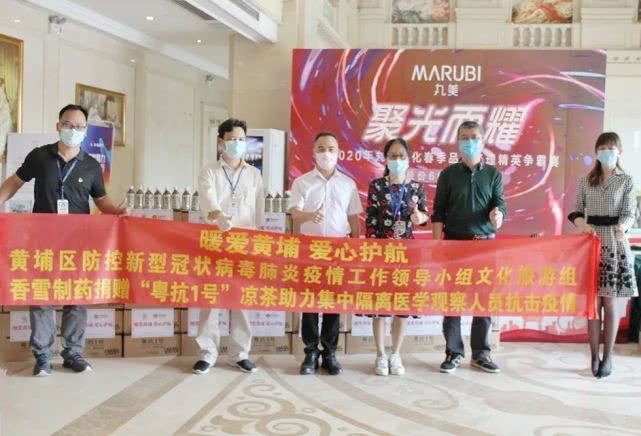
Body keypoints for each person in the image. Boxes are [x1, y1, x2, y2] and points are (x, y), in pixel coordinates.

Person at [0, 104, 126, 377]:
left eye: (79, 127)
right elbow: (15, 181)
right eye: (68, 125)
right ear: (58, 126)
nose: (73, 130)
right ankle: (43, 357)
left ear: (85, 131)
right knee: (41, 295)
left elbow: (101, 200)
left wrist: (119, 212)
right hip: (42, 241)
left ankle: (73, 353)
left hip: (78, 243)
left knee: (77, 296)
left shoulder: (91, 165)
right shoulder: (39, 156)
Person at [432, 120, 506, 374]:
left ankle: (481, 354)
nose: (469, 141)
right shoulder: (448, 174)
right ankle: (453, 352)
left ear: (483, 141)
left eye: (474, 137)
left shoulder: (493, 175)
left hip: (484, 246)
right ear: (457, 142)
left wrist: (497, 216)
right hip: (454, 245)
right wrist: (437, 246)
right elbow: (438, 212)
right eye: (464, 137)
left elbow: (500, 207)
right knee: (453, 302)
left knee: (483, 302)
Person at [193, 118, 264, 375]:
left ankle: (240, 354)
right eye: (232, 139)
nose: (237, 144)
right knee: (211, 298)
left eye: (242, 139)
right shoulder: (209, 171)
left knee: (242, 299)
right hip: (215, 242)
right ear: (220, 142)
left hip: (244, 244)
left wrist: (258, 240)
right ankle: (207, 353)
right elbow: (208, 199)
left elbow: (259, 210)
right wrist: (218, 215)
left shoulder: (254, 174)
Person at [289, 132, 362, 376]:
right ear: (313, 152)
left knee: (333, 303)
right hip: (310, 249)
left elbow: (353, 218)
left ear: (338, 152)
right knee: (309, 302)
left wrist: (356, 249)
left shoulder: (348, 184)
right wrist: (310, 215)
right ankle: (310, 352)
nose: (326, 154)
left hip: (338, 249)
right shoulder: (302, 182)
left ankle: (330, 352)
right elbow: (295, 214)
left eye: (331, 149)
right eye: (321, 149)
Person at [568, 132, 638, 378]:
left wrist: (623, 227)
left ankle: (608, 357)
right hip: (591, 243)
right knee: (593, 304)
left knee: (610, 302)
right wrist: (582, 224)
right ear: (596, 152)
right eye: (602, 148)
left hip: (615, 243)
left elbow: (630, 212)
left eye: (611, 148)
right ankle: (593, 356)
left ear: (619, 151)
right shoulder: (586, 180)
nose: (607, 152)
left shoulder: (626, 181)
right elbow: (576, 211)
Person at [364, 137, 428, 376]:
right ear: (386, 159)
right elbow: (371, 220)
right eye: (393, 156)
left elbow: (424, 217)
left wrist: (419, 218)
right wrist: (373, 252)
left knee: (402, 307)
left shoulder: (416, 188)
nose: (397, 160)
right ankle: (380, 355)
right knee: (380, 307)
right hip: (381, 254)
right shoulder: (377, 186)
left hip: (406, 256)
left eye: (402, 156)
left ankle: (396, 354)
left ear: (409, 159)